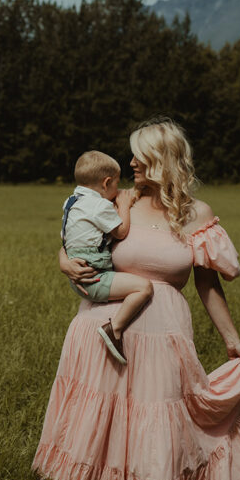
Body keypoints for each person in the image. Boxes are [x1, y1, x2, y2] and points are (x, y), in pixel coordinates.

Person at [33, 118, 240, 480]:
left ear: (163, 161)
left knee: (157, 425)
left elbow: (208, 284)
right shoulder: (119, 202)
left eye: (140, 155)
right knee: (102, 420)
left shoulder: (197, 215)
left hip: (163, 335)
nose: (131, 161)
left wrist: (233, 340)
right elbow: (74, 237)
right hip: (101, 328)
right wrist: (63, 262)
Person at [62, 150, 153, 364]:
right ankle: (115, 329)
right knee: (143, 287)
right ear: (106, 183)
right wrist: (123, 205)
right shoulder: (99, 205)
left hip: (78, 272)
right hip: (95, 276)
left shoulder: (71, 202)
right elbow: (120, 232)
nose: (118, 190)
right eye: (116, 185)